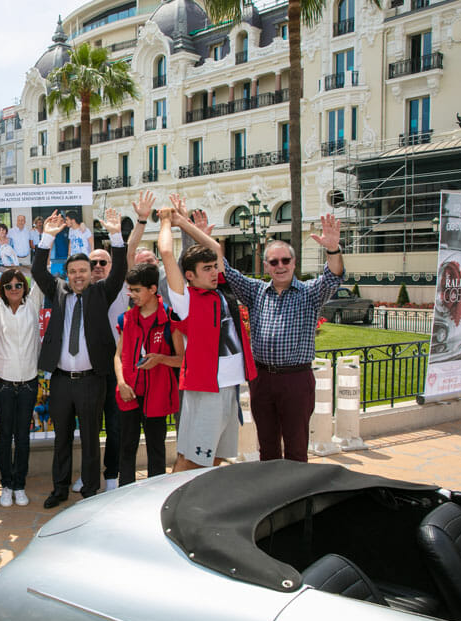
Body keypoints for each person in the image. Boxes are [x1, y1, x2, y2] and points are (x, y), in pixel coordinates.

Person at [217, 212, 344, 462]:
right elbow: (227, 272)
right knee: (268, 447)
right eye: (273, 262)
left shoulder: (309, 293)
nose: (280, 266)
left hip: (296, 380)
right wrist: (208, 239)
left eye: (285, 260)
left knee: (296, 448)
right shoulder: (255, 292)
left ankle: (297, 496)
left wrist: (333, 250)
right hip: (262, 380)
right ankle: (273, 492)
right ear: (266, 266)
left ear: (294, 263)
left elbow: (333, 278)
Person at [34, 208, 127, 508]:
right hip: (61, 381)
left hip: (91, 381)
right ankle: (59, 489)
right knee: (61, 438)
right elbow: (38, 271)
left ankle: (89, 490)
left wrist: (116, 235)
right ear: (68, 274)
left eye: (83, 271)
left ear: (90, 274)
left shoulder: (102, 293)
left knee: (90, 438)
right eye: (73, 272)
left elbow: (122, 269)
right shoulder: (58, 290)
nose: (77, 276)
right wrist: (47, 238)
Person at [158, 197, 256, 472]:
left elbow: (214, 247)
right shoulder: (185, 299)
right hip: (204, 389)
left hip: (230, 386)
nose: (214, 272)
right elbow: (166, 254)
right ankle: (171, 502)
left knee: (216, 457)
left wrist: (182, 221)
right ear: (189, 275)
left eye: (215, 267)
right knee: (191, 458)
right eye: (207, 269)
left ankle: (199, 503)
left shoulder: (220, 291)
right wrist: (166, 221)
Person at [71, 192, 155, 495]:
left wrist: (140, 221)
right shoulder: (80, 294)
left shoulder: (122, 287)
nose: (97, 267)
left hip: (120, 370)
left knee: (117, 426)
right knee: (89, 427)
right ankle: (89, 474)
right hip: (91, 370)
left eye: (102, 262)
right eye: (92, 262)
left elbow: (129, 251)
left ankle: (111, 475)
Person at [0, 261, 43, 507]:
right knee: (5, 435)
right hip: (3, 383)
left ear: (25, 287)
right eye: (9, 285)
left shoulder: (33, 303)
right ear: (2, 289)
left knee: (23, 437)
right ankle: (6, 484)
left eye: (18, 285)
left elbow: (41, 272)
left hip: (28, 382)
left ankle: (20, 484)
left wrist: (46, 238)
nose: (14, 288)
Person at [114, 262, 182, 483]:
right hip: (130, 392)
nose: (131, 295)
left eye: (136, 290)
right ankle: (124, 494)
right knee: (127, 446)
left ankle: (155, 496)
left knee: (156, 448)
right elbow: (118, 355)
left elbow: (182, 359)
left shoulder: (171, 319)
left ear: (153, 289)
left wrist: (161, 359)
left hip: (157, 394)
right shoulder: (127, 319)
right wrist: (122, 383)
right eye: (130, 289)